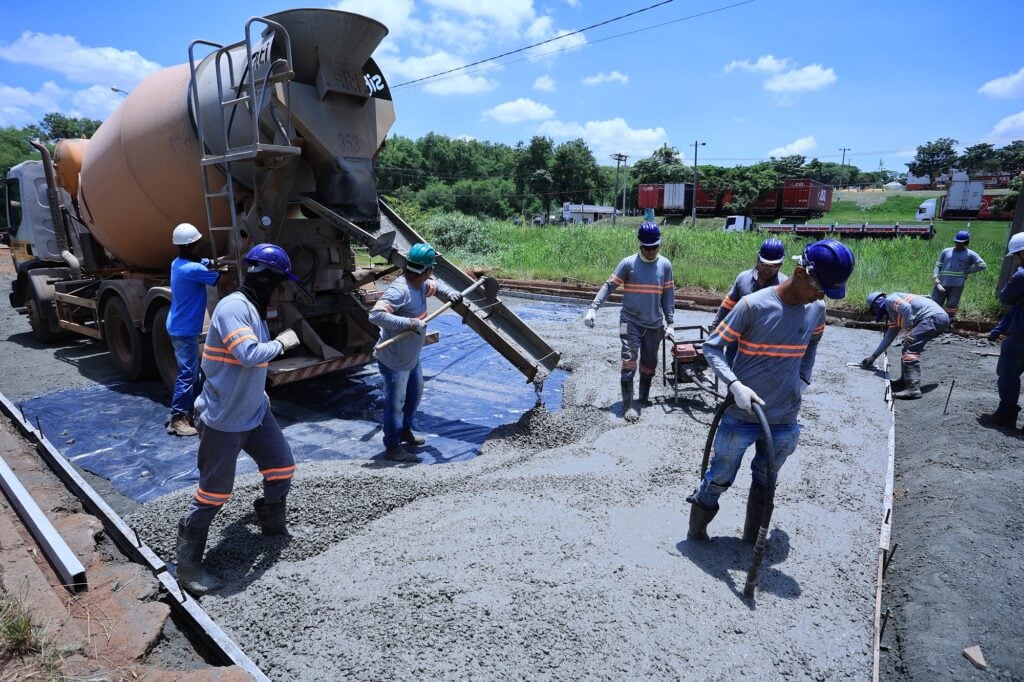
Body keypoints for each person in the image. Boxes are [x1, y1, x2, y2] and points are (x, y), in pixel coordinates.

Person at [687, 239, 855, 543]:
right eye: (819, 288)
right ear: (801, 272)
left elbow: (813, 344)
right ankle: (696, 534)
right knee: (720, 477)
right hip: (741, 415)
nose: (820, 296)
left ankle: (751, 542)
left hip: (784, 419)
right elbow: (712, 347)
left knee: (767, 480)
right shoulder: (753, 305)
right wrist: (734, 385)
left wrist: (803, 378)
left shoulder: (816, 310)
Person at [174, 243, 302, 596]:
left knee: (282, 468)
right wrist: (282, 343)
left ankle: (271, 523)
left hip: (255, 412)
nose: (281, 293)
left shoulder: (254, 310)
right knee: (214, 493)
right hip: (224, 418)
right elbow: (248, 355)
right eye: (279, 286)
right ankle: (188, 564)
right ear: (267, 280)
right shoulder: (233, 308)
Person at [368, 243, 462, 463]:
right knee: (395, 404)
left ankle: (404, 432)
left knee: (414, 396)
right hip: (395, 360)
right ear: (428, 270)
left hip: (410, 357)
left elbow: (437, 287)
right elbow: (375, 315)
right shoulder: (400, 290)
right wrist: (409, 323)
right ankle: (392, 447)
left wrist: (451, 293)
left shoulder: (420, 283)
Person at [583, 221, 675, 421]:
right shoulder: (628, 264)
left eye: (655, 247)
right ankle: (628, 405)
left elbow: (668, 295)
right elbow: (609, 285)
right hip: (630, 321)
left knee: (650, 363)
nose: (651, 251)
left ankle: (643, 398)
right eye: (647, 248)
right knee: (629, 360)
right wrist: (593, 308)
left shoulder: (665, 265)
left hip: (654, 324)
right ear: (640, 245)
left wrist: (670, 322)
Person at [165, 223, 221, 437]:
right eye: (198, 243)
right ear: (191, 246)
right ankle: (177, 418)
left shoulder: (178, 263)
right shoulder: (193, 269)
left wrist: (226, 259)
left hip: (179, 325)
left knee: (191, 372)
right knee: (188, 374)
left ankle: (188, 412)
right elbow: (222, 279)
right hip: (185, 329)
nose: (201, 245)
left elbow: (205, 262)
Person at [861, 291, 950, 400]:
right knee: (908, 347)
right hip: (937, 318)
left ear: (876, 307)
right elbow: (888, 338)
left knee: (910, 349)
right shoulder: (894, 314)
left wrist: (907, 330)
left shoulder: (890, 300)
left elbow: (906, 307)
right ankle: (905, 382)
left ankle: (913, 389)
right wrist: (873, 357)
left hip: (933, 318)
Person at [979, 233, 1024, 430]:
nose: (1015, 260)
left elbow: (1006, 299)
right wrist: (998, 330)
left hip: (1021, 335)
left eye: (1016, 256)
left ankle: (1006, 414)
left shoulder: (1021, 275)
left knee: (1008, 373)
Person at [712, 237, 788, 329]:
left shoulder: (785, 286)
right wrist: (715, 328)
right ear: (758, 259)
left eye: (773, 266)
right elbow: (728, 306)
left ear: (781, 264)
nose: (767, 269)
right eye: (764, 264)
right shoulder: (743, 279)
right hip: (740, 334)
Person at [931, 230, 986, 317]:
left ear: (966, 243)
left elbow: (982, 265)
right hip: (942, 282)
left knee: (952, 304)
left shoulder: (970, 254)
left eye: (961, 243)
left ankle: (949, 321)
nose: (958, 244)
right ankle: (934, 319)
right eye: (957, 242)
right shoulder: (946, 251)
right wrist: (935, 276)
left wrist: (967, 271)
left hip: (957, 285)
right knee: (935, 302)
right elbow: (938, 265)